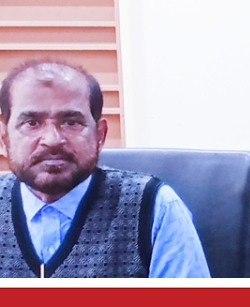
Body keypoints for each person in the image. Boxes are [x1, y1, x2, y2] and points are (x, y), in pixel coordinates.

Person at [0, 60, 209, 278]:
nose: (52, 140)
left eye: (71, 122)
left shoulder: (155, 207)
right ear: (4, 138)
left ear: (100, 135)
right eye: (32, 123)